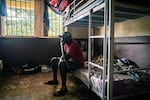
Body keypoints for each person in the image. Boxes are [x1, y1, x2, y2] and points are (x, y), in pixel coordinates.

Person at [45, 32, 84, 96]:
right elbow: (64, 56)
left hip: (77, 63)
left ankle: (64, 87)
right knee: (54, 60)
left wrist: (61, 47)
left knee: (62, 64)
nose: (64, 41)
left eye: (65, 39)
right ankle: (55, 80)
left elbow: (66, 57)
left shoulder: (74, 44)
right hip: (70, 61)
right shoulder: (66, 44)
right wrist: (62, 47)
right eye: (64, 39)